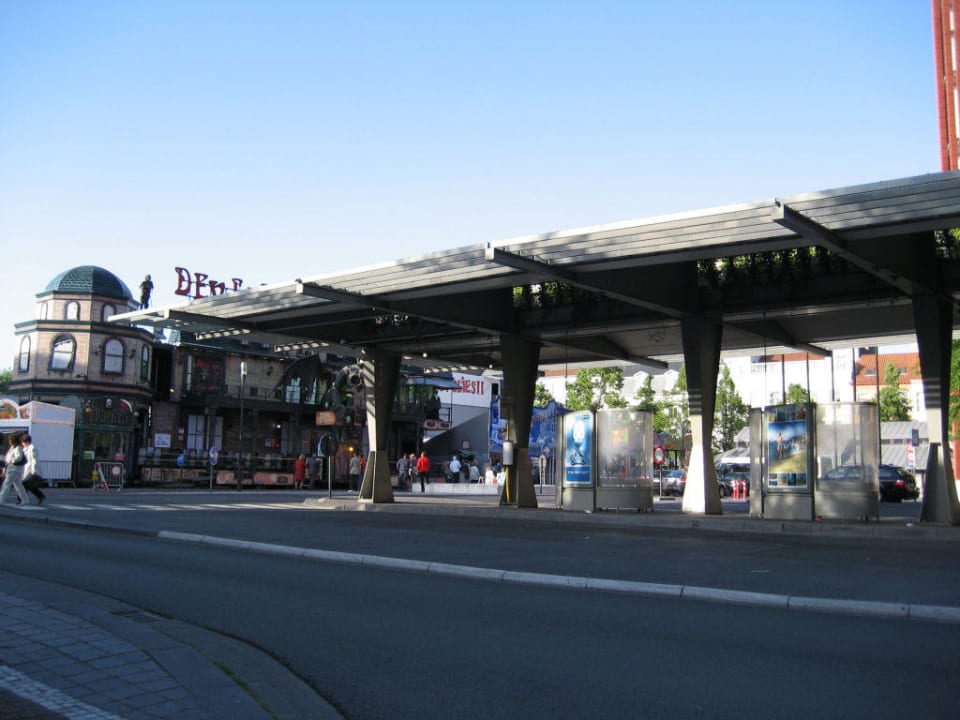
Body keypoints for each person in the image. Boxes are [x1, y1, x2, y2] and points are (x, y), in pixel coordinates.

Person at [1, 434, 29, 506]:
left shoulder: (18, 448)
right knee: (18, 486)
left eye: (10, 440)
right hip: (12, 469)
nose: (9, 441)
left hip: (15, 469)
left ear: (13, 440)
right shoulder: (13, 447)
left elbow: (18, 458)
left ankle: (1, 500)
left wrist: (10, 460)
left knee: (6, 484)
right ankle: (25, 500)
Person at [20, 434, 45, 504]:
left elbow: (34, 460)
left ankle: (22, 499)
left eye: (23, 442)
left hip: (31, 469)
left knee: (24, 484)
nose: (22, 444)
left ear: (27, 442)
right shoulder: (26, 448)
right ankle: (39, 496)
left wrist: (34, 470)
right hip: (27, 469)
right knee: (27, 484)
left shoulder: (32, 448)